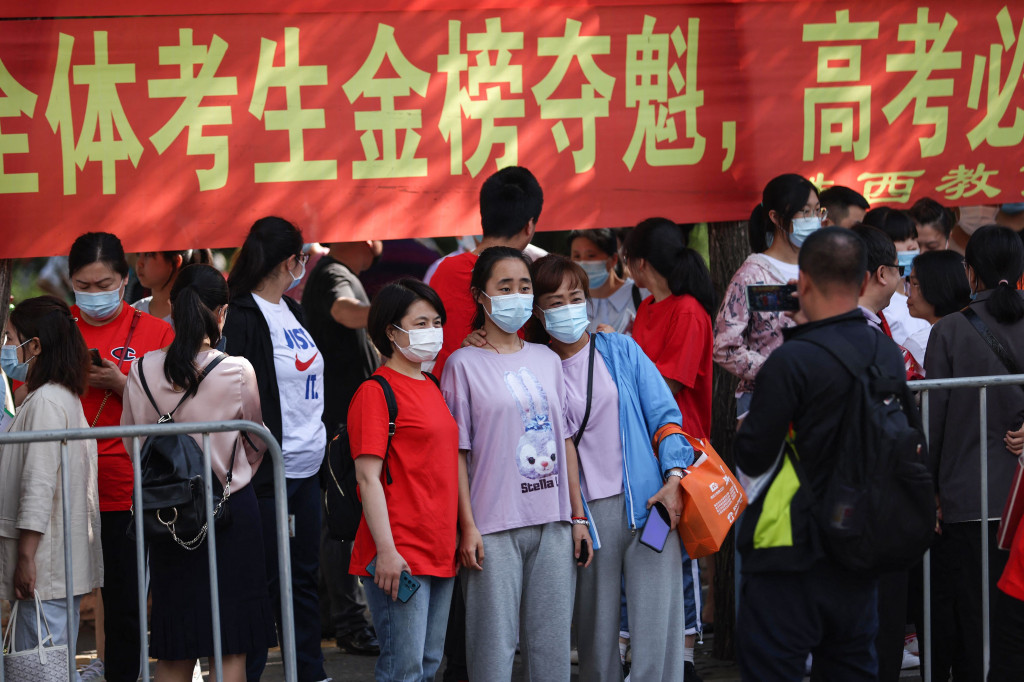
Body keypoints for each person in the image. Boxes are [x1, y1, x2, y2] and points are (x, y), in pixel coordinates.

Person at [734, 227, 906, 680]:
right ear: (866, 280)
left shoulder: (791, 361)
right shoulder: (885, 353)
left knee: (775, 667)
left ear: (803, 283)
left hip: (790, 545)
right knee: (851, 665)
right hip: (859, 540)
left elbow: (753, 455)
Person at [523, 254, 697, 681]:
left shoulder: (619, 348)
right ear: (538, 312)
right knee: (596, 634)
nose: (568, 307)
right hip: (583, 520)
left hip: (650, 506)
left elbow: (666, 416)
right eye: (555, 300)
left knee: (659, 625)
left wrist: (674, 480)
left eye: (575, 297)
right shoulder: (532, 367)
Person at [440, 246, 589, 682]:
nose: (517, 295)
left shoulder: (547, 358)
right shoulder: (461, 364)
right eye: (504, 287)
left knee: (552, 648)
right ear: (480, 297)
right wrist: (466, 526)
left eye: (524, 286)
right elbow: (458, 454)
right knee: (493, 649)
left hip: (554, 524)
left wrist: (577, 515)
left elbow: (565, 441)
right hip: (492, 528)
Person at [121, 264, 276, 682]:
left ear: (171, 307)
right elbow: (257, 440)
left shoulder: (140, 370)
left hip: (168, 514)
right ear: (221, 312)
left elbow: (133, 443)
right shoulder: (236, 370)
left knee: (174, 648)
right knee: (230, 650)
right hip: (230, 513)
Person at [223, 217, 329, 682]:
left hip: (308, 470)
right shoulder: (242, 314)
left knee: (304, 579)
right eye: (302, 259)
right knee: (260, 584)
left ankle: (309, 670)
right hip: (264, 473)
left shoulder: (293, 310)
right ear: (291, 261)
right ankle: (248, 674)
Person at [69, 231, 175, 682]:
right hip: (65, 482)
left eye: (104, 284)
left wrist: (122, 383)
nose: (94, 296)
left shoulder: (157, 330)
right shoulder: (58, 327)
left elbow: (177, 405)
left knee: (125, 604)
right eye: (84, 286)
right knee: (60, 598)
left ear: (125, 279)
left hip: (126, 487)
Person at [924, 224, 1024, 682]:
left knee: (976, 621)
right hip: (1018, 497)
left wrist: (933, 492)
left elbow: (934, 424)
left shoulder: (947, 331)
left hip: (968, 498)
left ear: (970, 272)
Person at [347, 279, 459, 682]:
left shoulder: (431, 385)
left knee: (427, 665)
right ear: (391, 332)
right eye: (421, 322)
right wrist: (387, 551)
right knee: (403, 669)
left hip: (440, 548)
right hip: (399, 553)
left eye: (436, 322)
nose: (433, 332)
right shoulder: (375, 392)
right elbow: (367, 477)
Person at [618, 218, 712, 670]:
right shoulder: (649, 309)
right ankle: (644, 646)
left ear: (638, 263)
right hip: (644, 454)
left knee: (678, 553)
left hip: (680, 453)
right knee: (649, 545)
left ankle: (687, 651)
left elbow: (670, 382)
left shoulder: (688, 309)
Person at [0, 296, 102, 671]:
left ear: (36, 346)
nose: (7, 349)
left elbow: (39, 485)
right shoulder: (60, 397)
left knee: (40, 666)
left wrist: (25, 558)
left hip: (45, 566)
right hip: (58, 566)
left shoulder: (45, 401)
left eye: (11, 339)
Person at [301, 240, 383, 656]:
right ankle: (350, 622)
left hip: (344, 417)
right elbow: (342, 310)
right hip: (340, 422)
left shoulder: (337, 273)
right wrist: (391, 314)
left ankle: (337, 618)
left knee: (337, 521)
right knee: (342, 522)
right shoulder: (334, 274)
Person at [713, 173, 821, 421]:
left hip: (816, 398)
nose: (813, 220)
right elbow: (723, 347)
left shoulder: (820, 267)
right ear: (775, 217)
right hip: (766, 400)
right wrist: (775, 370)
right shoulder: (752, 274)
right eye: (804, 212)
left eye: (817, 211)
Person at [430, 166, 543, 378]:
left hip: (446, 393)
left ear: (484, 217)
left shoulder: (444, 270)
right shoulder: (533, 276)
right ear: (529, 226)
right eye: (506, 288)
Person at [862, 209, 932, 348]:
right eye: (901, 239)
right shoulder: (878, 304)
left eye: (913, 238)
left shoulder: (923, 290)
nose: (913, 246)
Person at [568, 228, 646, 334]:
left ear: (613, 259)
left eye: (591, 255)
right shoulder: (570, 305)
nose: (583, 262)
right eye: (577, 256)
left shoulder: (641, 294)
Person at [902, 250, 971, 371]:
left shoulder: (919, 344)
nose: (907, 293)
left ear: (937, 288)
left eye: (915, 283)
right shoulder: (978, 328)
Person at [133, 249, 214, 324]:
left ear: (176, 261)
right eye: (138, 254)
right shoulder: (133, 312)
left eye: (148, 255)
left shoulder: (195, 317)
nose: (139, 263)